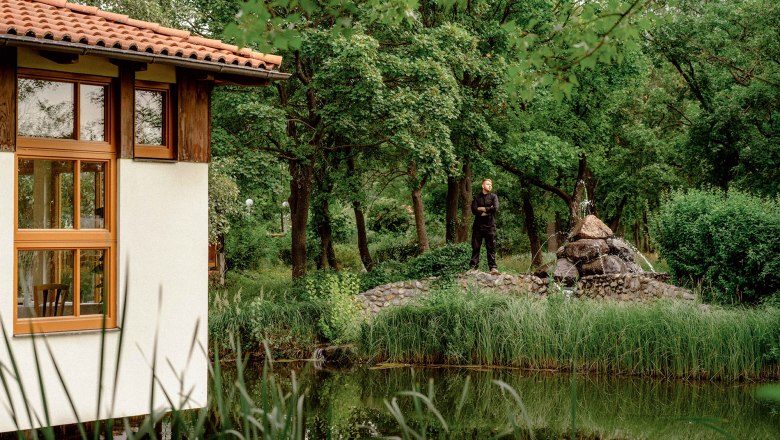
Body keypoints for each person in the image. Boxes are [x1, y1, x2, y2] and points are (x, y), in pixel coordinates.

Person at [470, 178, 499, 274]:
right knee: (475, 247)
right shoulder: (476, 197)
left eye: (491, 184)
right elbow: (474, 210)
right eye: (487, 184)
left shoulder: (494, 196)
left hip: (490, 226)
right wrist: (488, 209)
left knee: (491, 247)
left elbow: (495, 208)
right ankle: (473, 268)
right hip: (478, 226)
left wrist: (482, 209)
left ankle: (493, 268)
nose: (490, 186)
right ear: (483, 186)